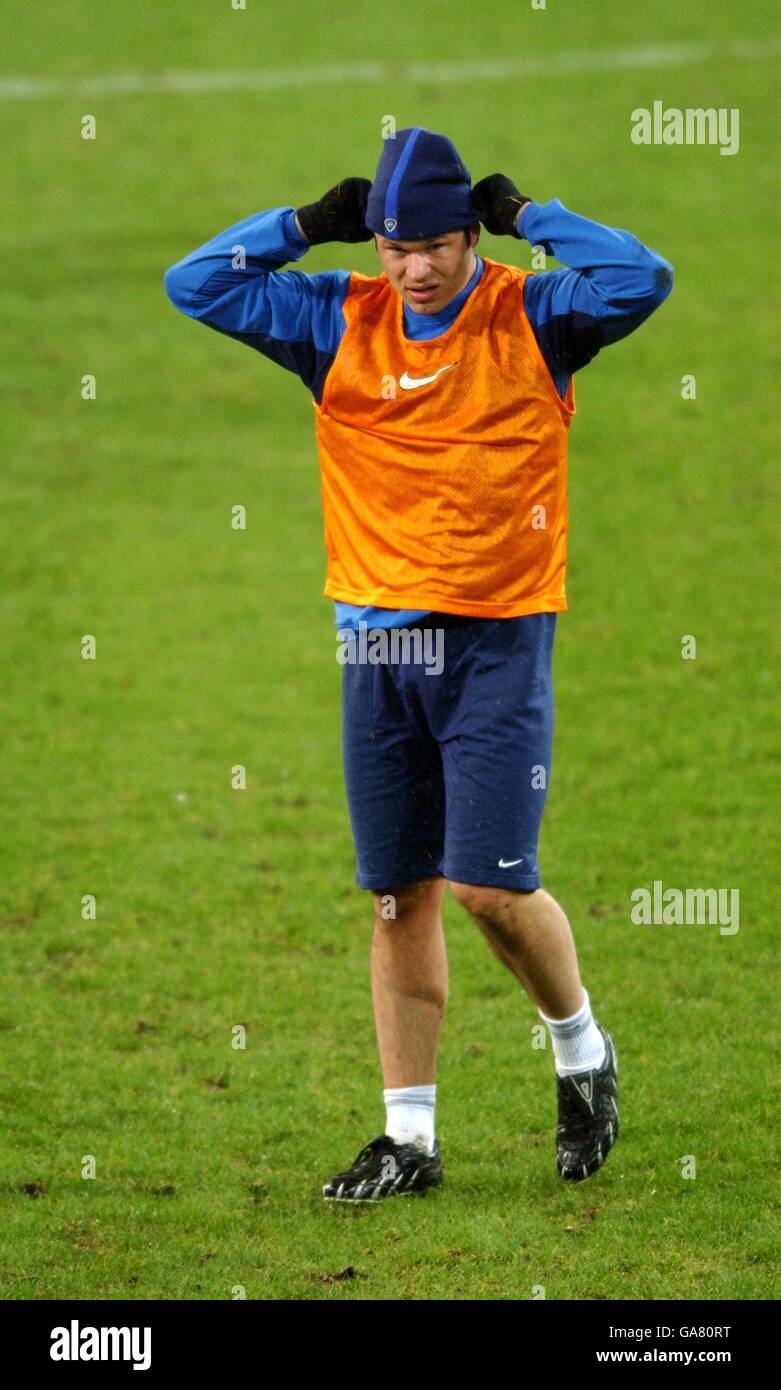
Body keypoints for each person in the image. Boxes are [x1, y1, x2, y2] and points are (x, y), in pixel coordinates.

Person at [164, 125, 673, 1202]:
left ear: (471, 235)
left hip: (497, 637)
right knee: (398, 898)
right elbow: (191, 283)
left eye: (435, 244)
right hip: (379, 643)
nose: (412, 268)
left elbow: (644, 276)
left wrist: (537, 217)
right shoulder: (332, 317)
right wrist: (304, 225)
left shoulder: (534, 313)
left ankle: (581, 1049)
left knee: (488, 885)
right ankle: (409, 1138)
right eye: (393, 246)